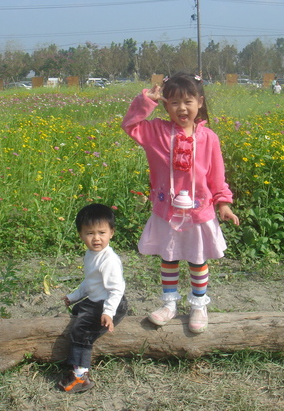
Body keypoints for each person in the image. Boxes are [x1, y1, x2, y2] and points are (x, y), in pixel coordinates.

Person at [121, 72, 239, 334]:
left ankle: (198, 305)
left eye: (188, 102)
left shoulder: (209, 138)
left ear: (199, 101)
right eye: (174, 103)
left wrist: (224, 204)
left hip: (200, 213)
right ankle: (169, 303)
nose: (182, 108)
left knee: (197, 260)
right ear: (165, 106)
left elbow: (217, 177)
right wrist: (145, 101)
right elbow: (130, 125)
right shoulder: (156, 132)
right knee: (169, 258)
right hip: (167, 212)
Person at [58, 203, 127, 393]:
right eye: (89, 233)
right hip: (97, 299)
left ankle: (81, 375)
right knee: (77, 312)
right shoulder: (91, 255)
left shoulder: (109, 259)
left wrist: (109, 313)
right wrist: (73, 297)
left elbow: (116, 289)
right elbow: (90, 283)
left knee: (82, 331)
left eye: (101, 233)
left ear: (111, 233)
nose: (96, 238)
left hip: (112, 303)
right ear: (81, 235)